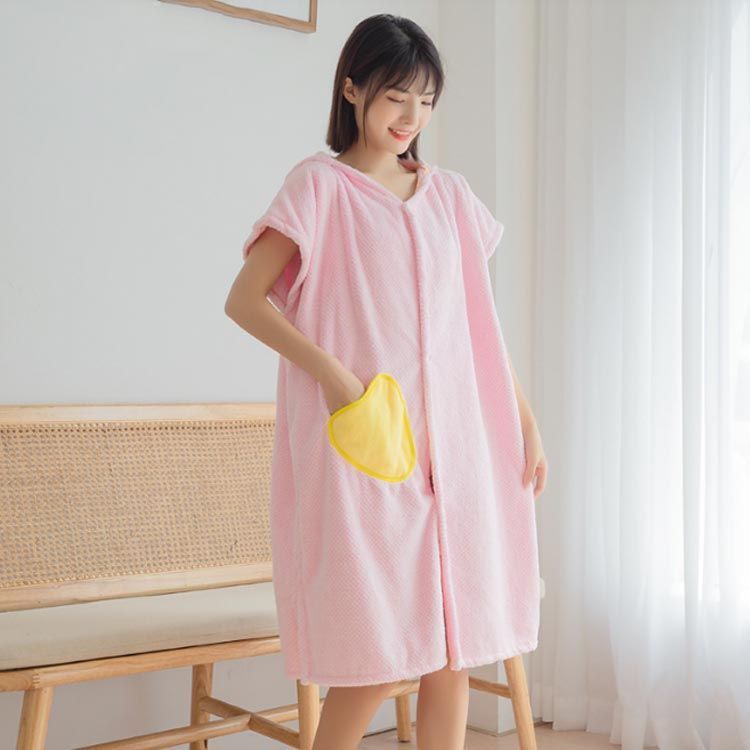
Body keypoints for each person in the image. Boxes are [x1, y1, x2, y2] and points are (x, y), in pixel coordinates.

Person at [224, 12, 548, 750]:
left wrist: (526, 423)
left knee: (453, 651)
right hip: (370, 448)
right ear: (352, 88)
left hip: (461, 450)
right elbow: (244, 300)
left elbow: (480, 327)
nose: (412, 117)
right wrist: (333, 374)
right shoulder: (318, 188)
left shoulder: (451, 197)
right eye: (397, 97)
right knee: (378, 657)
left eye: (426, 101)